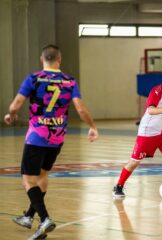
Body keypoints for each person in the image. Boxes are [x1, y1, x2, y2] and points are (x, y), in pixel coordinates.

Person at [4, 44, 98, 239]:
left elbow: (16, 104)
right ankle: (29, 216)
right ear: (59, 60)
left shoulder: (34, 78)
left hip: (37, 137)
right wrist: (93, 127)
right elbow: (80, 109)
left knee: (28, 179)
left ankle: (45, 218)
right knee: (42, 176)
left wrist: (11, 115)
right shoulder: (69, 81)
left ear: (42, 59)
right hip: (57, 138)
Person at [113, 65, 162, 199]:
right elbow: (150, 110)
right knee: (134, 162)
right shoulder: (157, 91)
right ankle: (118, 186)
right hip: (147, 132)